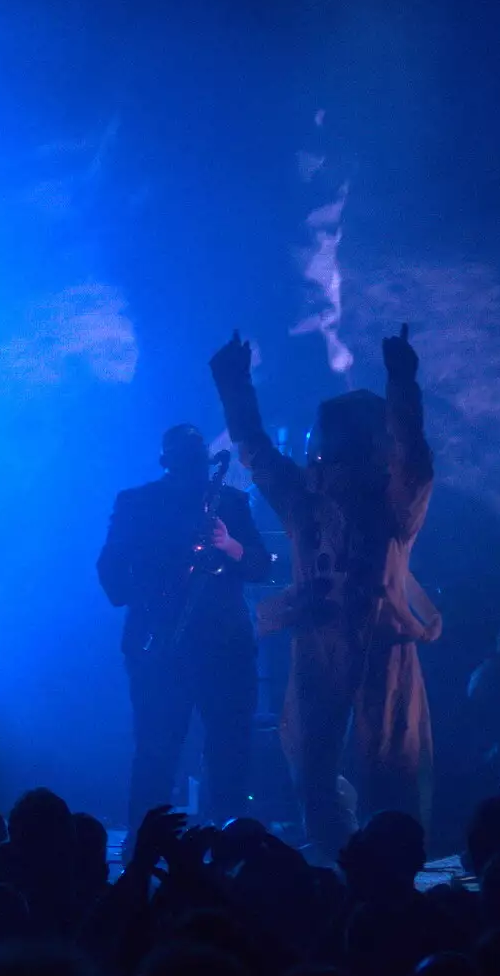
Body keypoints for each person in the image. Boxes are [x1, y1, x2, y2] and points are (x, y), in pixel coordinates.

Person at [210, 324, 437, 861]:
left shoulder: (390, 503)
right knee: (314, 759)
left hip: (381, 641)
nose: (324, 451)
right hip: (324, 638)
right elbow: (258, 453)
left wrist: (403, 382)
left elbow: (414, 461)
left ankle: (387, 861)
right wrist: (235, 385)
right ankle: (339, 857)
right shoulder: (309, 500)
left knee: (389, 761)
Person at [98, 424, 272, 837]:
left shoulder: (230, 501)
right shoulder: (137, 503)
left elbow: (262, 565)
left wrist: (229, 545)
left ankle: (230, 841)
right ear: (166, 461)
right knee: (156, 749)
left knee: (230, 748)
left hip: (224, 645)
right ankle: (146, 842)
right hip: (159, 643)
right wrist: (144, 598)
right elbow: (110, 569)